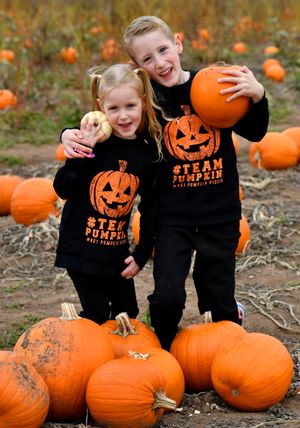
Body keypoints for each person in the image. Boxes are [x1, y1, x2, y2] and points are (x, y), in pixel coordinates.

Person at [60, 16, 269, 350]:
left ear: (178, 43)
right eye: (147, 59)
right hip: (173, 219)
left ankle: (228, 327)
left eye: (163, 50)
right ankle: (166, 349)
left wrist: (257, 96)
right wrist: (69, 135)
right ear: (137, 66)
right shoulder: (146, 100)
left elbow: (255, 132)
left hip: (220, 213)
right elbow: (111, 124)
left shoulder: (210, 85)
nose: (159, 62)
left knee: (218, 292)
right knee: (168, 295)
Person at [53, 63, 164, 325]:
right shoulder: (93, 144)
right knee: (98, 315)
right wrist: (83, 153)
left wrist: (141, 253)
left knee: (128, 314)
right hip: (79, 250)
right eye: (114, 108)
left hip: (116, 254)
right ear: (101, 106)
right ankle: (84, 352)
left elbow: (150, 207)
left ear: (143, 102)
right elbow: (62, 188)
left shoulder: (146, 153)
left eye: (130, 106)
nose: (123, 116)